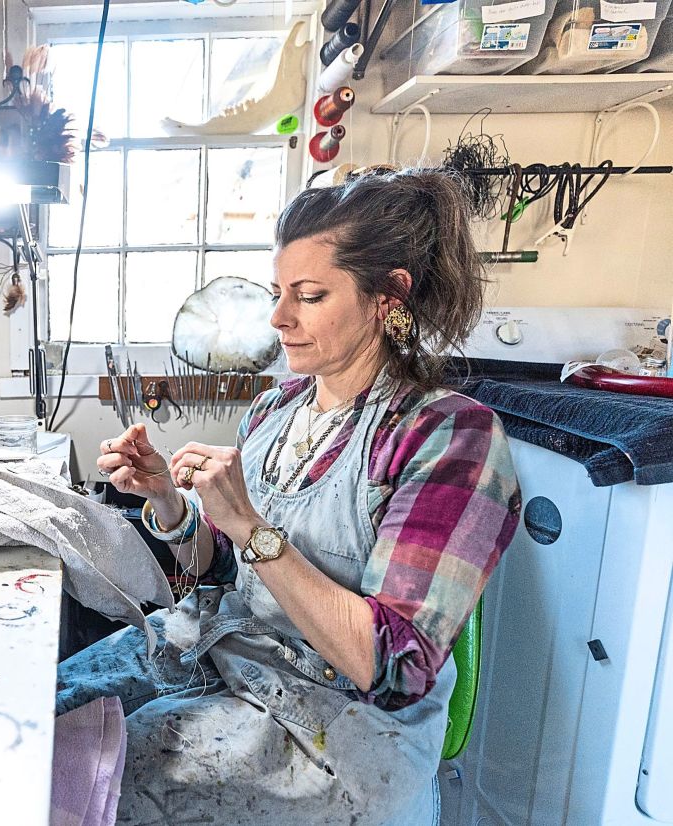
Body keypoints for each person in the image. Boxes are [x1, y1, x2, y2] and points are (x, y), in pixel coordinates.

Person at [61, 168, 522, 824]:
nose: (278, 318)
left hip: (337, 726)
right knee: (41, 715)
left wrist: (251, 527)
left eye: (307, 296)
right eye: (279, 293)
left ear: (389, 295)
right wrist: (167, 501)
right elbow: (226, 568)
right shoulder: (277, 407)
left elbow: (391, 668)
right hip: (230, 645)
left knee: (96, 781)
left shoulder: (447, 437)